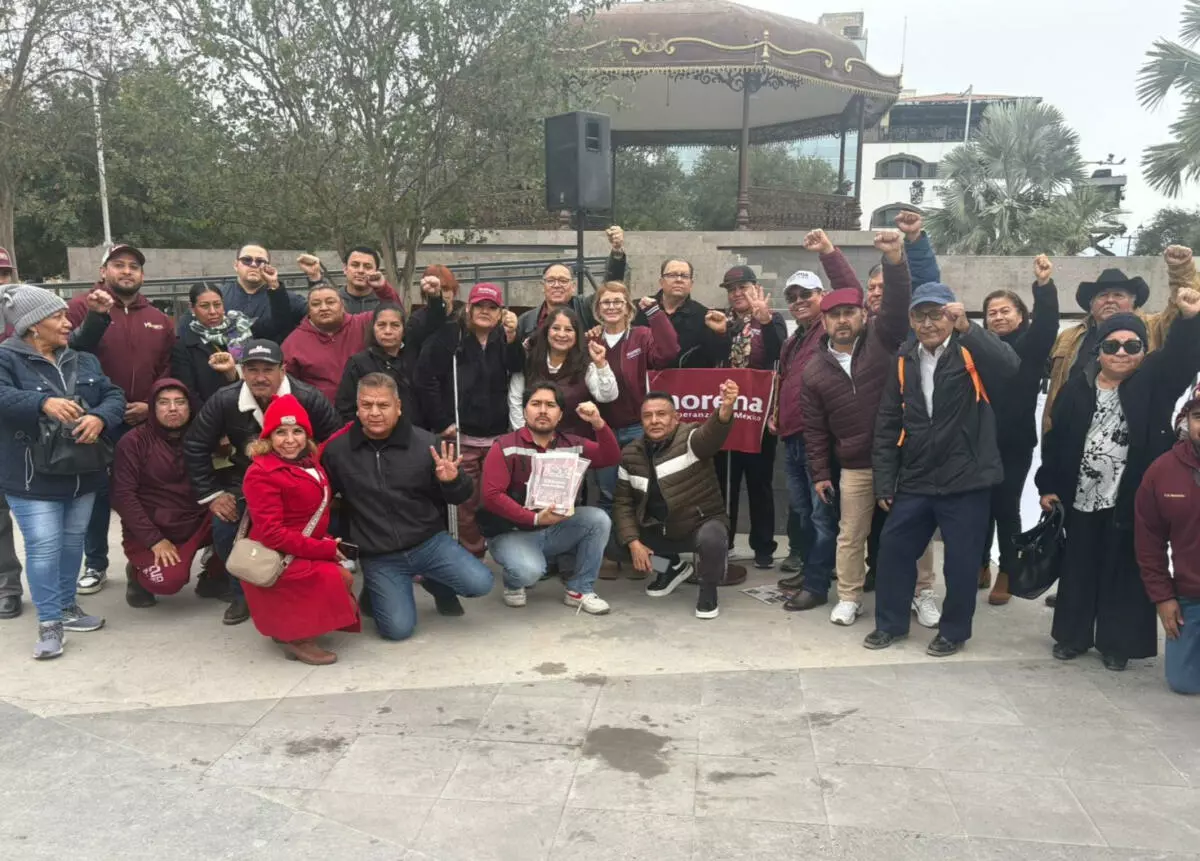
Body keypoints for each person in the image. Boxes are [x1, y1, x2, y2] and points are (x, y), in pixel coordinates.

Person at [1037, 290, 1200, 671]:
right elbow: (1056, 440)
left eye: (1132, 345)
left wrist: (1190, 320)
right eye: (1112, 345)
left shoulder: (1154, 381)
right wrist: (1047, 485)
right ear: (1099, 351)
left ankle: (1117, 643)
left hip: (1131, 499)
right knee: (1078, 568)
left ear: (1144, 350)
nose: (1122, 352)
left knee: (1125, 571)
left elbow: (1181, 358)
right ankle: (1072, 636)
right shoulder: (1077, 386)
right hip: (1081, 496)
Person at [865, 282, 1020, 656]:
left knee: (962, 563)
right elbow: (887, 422)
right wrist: (885, 481)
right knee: (893, 550)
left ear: (952, 316)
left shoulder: (971, 351)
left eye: (937, 314)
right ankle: (890, 624)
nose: (928, 323)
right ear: (911, 321)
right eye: (920, 316)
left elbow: (1010, 365)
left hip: (966, 477)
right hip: (916, 476)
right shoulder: (904, 359)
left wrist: (969, 328)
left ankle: (954, 631)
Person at [798, 230, 919, 625]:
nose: (842, 320)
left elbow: (897, 298)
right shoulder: (814, 371)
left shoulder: (882, 339)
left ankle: (923, 593)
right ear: (824, 322)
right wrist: (820, 473)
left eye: (850, 312)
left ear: (864, 314)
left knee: (913, 531)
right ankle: (849, 597)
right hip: (854, 465)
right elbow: (815, 429)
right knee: (850, 535)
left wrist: (894, 258)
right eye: (834, 315)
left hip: (901, 457)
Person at [0, 284, 125, 659]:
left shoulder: (82, 359)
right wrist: (42, 402)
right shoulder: (6, 358)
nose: (68, 322)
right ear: (33, 325)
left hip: (82, 471)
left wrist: (100, 418)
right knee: (43, 547)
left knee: (72, 544)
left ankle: (68, 607)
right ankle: (50, 623)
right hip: (31, 477)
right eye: (57, 316)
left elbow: (114, 395)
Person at [322, 373, 495, 640]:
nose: (374, 413)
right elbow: (325, 500)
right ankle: (375, 589)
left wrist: (451, 481)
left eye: (383, 405)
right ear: (357, 408)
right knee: (397, 630)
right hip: (379, 553)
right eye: (367, 405)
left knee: (481, 583)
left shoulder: (427, 444)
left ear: (398, 407)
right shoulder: (337, 451)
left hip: (429, 542)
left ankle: (434, 581)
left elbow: (460, 496)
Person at [183, 339, 342, 625]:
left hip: (300, 478)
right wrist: (212, 494)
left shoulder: (309, 397)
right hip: (248, 477)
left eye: (267, 369)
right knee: (224, 524)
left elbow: (336, 441)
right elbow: (195, 444)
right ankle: (241, 592)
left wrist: (328, 489)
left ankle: (304, 585)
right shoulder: (224, 399)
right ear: (242, 371)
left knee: (321, 525)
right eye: (252, 369)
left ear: (283, 370)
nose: (259, 377)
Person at [64, 243, 176, 597]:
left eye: (134, 266)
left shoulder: (159, 318)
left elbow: (167, 368)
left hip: (142, 418)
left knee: (143, 492)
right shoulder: (81, 307)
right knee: (96, 492)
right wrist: (96, 316)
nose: (127, 271)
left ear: (142, 275)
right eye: (118, 265)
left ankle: (142, 559)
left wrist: (150, 404)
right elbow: (70, 353)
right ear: (104, 271)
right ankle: (95, 563)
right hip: (96, 419)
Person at [240, 394, 360, 664]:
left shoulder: (306, 461)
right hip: (279, 552)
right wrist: (325, 549)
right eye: (281, 432)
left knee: (342, 579)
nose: (290, 439)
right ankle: (296, 637)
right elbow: (272, 534)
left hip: (299, 545)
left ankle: (292, 627)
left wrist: (355, 424)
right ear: (268, 437)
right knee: (338, 578)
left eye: (297, 431)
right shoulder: (261, 473)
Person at [479, 384, 620, 613]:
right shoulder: (504, 446)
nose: (543, 410)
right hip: (512, 532)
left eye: (550, 405)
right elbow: (492, 496)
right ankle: (514, 583)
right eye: (536, 404)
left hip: (556, 528)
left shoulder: (572, 444)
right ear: (524, 411)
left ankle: (579, 590)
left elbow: (611, 456)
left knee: (598, 519)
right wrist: (534, 519)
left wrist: (597, 423)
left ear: (560, 414)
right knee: (529, 572)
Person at [610, 382, 740, 619]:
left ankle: (708, 591)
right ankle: (669, 567)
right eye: (647, 416)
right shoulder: (630, 453)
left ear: (676, 418)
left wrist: (725, 409)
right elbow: (623, 503)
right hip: (658, 530)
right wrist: (633, 542)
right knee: (613, 543)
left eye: (661, 414)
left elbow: (712, 435)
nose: (654, 421)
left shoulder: (691, 438)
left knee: (713, 538)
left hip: (697, 526)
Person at [417, 282, 523, 557]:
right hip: (462, 435)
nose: (485, 311)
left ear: (500, 312)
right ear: (469, 308)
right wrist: (442, 421)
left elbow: (518, 367)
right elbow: (425, 377)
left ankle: (502, 551)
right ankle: (473, 553)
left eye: (492, 307)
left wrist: (513, 338)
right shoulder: (450, 336)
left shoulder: (503, 336)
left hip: (497, 437)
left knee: (496, 498)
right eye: (479, 306)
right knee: (465, 501)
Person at [978, 255, 1060, 604]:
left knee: (1005, 506)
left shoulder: (1031, 343)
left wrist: (1044, 286)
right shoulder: (979, 346)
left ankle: (1008, 571)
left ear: (1021, 315)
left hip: (1014, 442)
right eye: (992, 312)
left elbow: (1048, 324)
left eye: (1005, 311)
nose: (998, 317)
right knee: (979, 505)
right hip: (978, 441)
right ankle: (980, 563)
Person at [1043, 245, 1196, 433]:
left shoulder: (1155, 327)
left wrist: (1181, 270)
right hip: (1071, 433)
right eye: (1102, 296)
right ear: (1091, 305)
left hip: (1134, 434)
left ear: (1133, 302)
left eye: (1118, 295)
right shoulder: (1068, 336)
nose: (1110, 300)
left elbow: (1185, 307)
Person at [112, 378, 227, 607]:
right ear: (152, 408)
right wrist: (154, 540)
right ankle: (137, 574)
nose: (173, 408)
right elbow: (123, 496)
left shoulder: (203, 436)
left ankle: (214, 577)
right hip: (156, 528)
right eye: (164, 402)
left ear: (190, 406)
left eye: (180, 402)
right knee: (168, 581)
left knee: (237, 514)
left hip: (197, 521)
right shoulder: (133, 442)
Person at [706, 265, 787, 568]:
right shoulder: (722, 320)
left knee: (759, 483)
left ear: (755, 288)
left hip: (758, 416)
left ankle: (763, 547)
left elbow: (780, 354)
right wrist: (719, 334)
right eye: (731, 289)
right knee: (724, 482)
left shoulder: (772, 319)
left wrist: (764, 321)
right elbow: (714, 361)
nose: (737, 293)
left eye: (742, 287)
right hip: (726, 415)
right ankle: (723, 544)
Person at [772, 233, 834, 593]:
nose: (798, 301)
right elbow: (784, 381)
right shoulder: (792, 341)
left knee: (821, 514)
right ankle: (812, 569)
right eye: (792, 297)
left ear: (822, 296)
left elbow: (851, 292)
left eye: (805, 294)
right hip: (792, 438)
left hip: (818, 440)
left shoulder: (830, 331)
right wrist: (776, 414)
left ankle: (817, 580)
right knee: (804, 512)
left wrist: (827, 251)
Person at [590, 281, 681, 513]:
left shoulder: (641, 335)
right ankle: (611, 537)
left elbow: (669, 352)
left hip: (637, 427)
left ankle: (642, 537)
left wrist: (655, 314)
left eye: (618, 302)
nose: (612, 307)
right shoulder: (592, 341)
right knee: (608, 493)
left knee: (642, 492)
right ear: (598, 309)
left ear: (628, 308)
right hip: (603, 429)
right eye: (606, 302)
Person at [1136, 383, 1200, 694]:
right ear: (1186, 421)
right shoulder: (1162, 471)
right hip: (1192, 596)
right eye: (1199, 416)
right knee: (1184, 683)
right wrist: (1163, 597)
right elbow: (1149, 543)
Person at [281, 277, 403, 404]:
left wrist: (383, 288)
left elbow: (394, 313)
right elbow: (285, 384)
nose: (324, 308)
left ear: (342, 305)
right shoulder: (293, 342)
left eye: (330, 302)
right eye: (316, 304)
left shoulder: (362, 324)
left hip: (369, 406)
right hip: (320, 411)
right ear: (309, 310)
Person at [171, 281, 293, 406]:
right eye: (204, 306)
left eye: (217, 305)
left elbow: (280, 323)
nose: (213, 311)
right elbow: (189, 392)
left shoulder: (242, 327)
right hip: (210, 411)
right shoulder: (185, 345)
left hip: (251, 406)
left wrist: (274, 286)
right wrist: (210, 415)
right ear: (192, 308)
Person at [509, 307, 618, 437]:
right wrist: (524, 437)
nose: (561, 334)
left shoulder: (586, 363)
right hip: (534, 441)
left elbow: (607, 397)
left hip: (577, 441)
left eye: (568, 330)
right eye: (556, 328)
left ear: (577, 334)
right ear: (546, 331)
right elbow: (515, 401)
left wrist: (601, 364)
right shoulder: (528, 360)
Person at [513, 226, 630, 345]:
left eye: (563, 280)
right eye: (551, 280)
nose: (557, 285)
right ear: (543, 286)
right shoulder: (526, 321)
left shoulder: (585, 309)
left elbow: (609, 288)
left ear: (573, 286)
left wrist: (617, 252)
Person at [335, 302, 435, 426]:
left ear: (404, 330)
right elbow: (345, 408)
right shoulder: (358, 363)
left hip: (415, 432)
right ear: (373, 328)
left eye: (395, 325)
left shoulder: (415, 360)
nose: (388, 331)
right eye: (381, 325)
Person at [194, 243, 307, 338]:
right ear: (236, 265)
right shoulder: (217, 296)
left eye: (260, 261)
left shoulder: (288, 299)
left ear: (268, 266)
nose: (253, 264)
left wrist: (314, 277)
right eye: (247, 260)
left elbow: (315, 316)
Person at [631, 257, 725, 369]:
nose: (679, 280)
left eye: (684, 276)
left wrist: (721, 334)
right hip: (644, 377)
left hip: (687, 378)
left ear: (691, 284)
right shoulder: (638, 309)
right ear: (661, 282)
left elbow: (717, 357)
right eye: (672, 275)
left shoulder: (704, 316)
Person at [0, 248, 22, 620]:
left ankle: (56, 590)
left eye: (4, 274)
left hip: (19, 428)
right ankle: (7, 585)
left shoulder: (22, 318)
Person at [407, 265, 464, 350]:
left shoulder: (464, 316)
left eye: (445, 289)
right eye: (434, 291)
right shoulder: (416, 321)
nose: (441, 294)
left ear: (453, 289)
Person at [334, 246, 397, 314]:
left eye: (368, 267)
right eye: (355, 265)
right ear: (345, 268)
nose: (361, 270)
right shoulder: (333, 300)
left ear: (376, 271)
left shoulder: (385, 302)